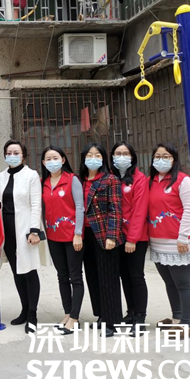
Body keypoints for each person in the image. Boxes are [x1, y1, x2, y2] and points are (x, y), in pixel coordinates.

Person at [148, 143, 190, 339]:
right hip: (158, 241)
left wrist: (183, 236)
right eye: (157, 156)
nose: (161, 160)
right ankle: (177, 318)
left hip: (178, 242)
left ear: (174, 160)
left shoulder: (183, 180)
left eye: (166, 156)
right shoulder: (151, 181)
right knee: (170, 283)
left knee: (184, 283)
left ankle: (186, 324)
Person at [0, 139, 43, 334]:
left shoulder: (31, 175)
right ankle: (24, 309)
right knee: (17, 272)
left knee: (29, 271)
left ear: (23, 156)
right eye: (9, 153)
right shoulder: (1, 176)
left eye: (16, 153)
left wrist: (34, 230)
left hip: (25, 230)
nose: (12, 156)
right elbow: (0, 202)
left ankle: (33, 314)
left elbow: (36, 204)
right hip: (7, 231)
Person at [79, 142, 123, 337]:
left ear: (104, 159)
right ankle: (101, 315)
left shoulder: (110, 179)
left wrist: (112, 236)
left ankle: (112, 321)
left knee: (108, 278)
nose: (93, 159)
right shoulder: (80, 180)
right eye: (89, 155)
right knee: (92, 276)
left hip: (104, 234)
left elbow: (115, 209)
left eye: (97, 155)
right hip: (85, 235)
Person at [41, 145, 84, 335]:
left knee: (75, 277)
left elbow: (80, 207)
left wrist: (78, 233)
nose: (52, 162)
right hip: (53, 237)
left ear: (63, 160)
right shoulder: (44, 183)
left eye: (55, 158)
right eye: (48, 159)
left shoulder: (72, 180)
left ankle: (75, 318)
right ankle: (67, 313)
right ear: (43, 163)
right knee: (62, 276)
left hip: (72, 237)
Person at [110, 141, 150, 336]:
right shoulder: (111, 177)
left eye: (125, 153)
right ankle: (131, 312)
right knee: (124, 275)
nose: (121, 157)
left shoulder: (139, 179)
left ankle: (140, 317)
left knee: (136, 275)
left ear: (132, 157)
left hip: (135, 237)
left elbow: (140, 210)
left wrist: (132, 239)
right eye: (118, 153)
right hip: (116, 236)